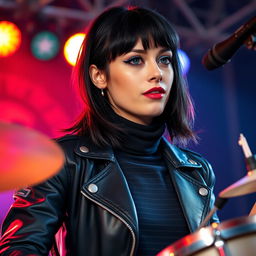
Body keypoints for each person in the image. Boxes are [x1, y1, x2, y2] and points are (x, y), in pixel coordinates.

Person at [0, 6, 219, 256]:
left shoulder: (197, 171)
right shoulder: (62, 161)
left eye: (165, 59)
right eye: (135, 60)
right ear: (99, 76)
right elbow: (18, 250)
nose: (157, 73)